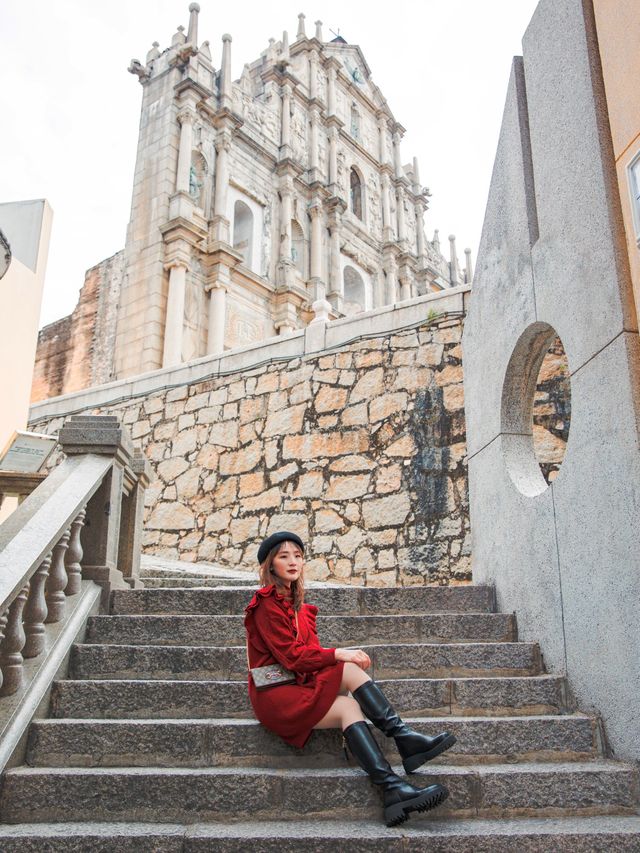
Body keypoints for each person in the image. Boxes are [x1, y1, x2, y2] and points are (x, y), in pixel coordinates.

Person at [244, 530, 456, 827]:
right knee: (346, 667)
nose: (293, 561)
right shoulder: (265, 604)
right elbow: (293, 658)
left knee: (349, 706)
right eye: (284, 556)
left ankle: (393, 787)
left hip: (299, 685)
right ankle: (404, 742)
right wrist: (341, 653)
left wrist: (338, 658)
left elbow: (311, 656)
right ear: (271, 565)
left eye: (298, 556)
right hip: (276, 696)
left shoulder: (302, 610)